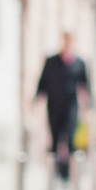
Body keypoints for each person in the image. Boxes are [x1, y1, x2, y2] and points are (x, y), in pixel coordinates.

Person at [36, 32, 89, 181]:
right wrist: (37, 101)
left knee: (69, 139)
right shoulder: (51, 61)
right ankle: (54, 172)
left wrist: (87, 107)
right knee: (55, 139)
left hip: (71, 107)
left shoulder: (79, 63)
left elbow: (84, 86)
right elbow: (42, 82)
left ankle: (68, 173)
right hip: (54, 106)